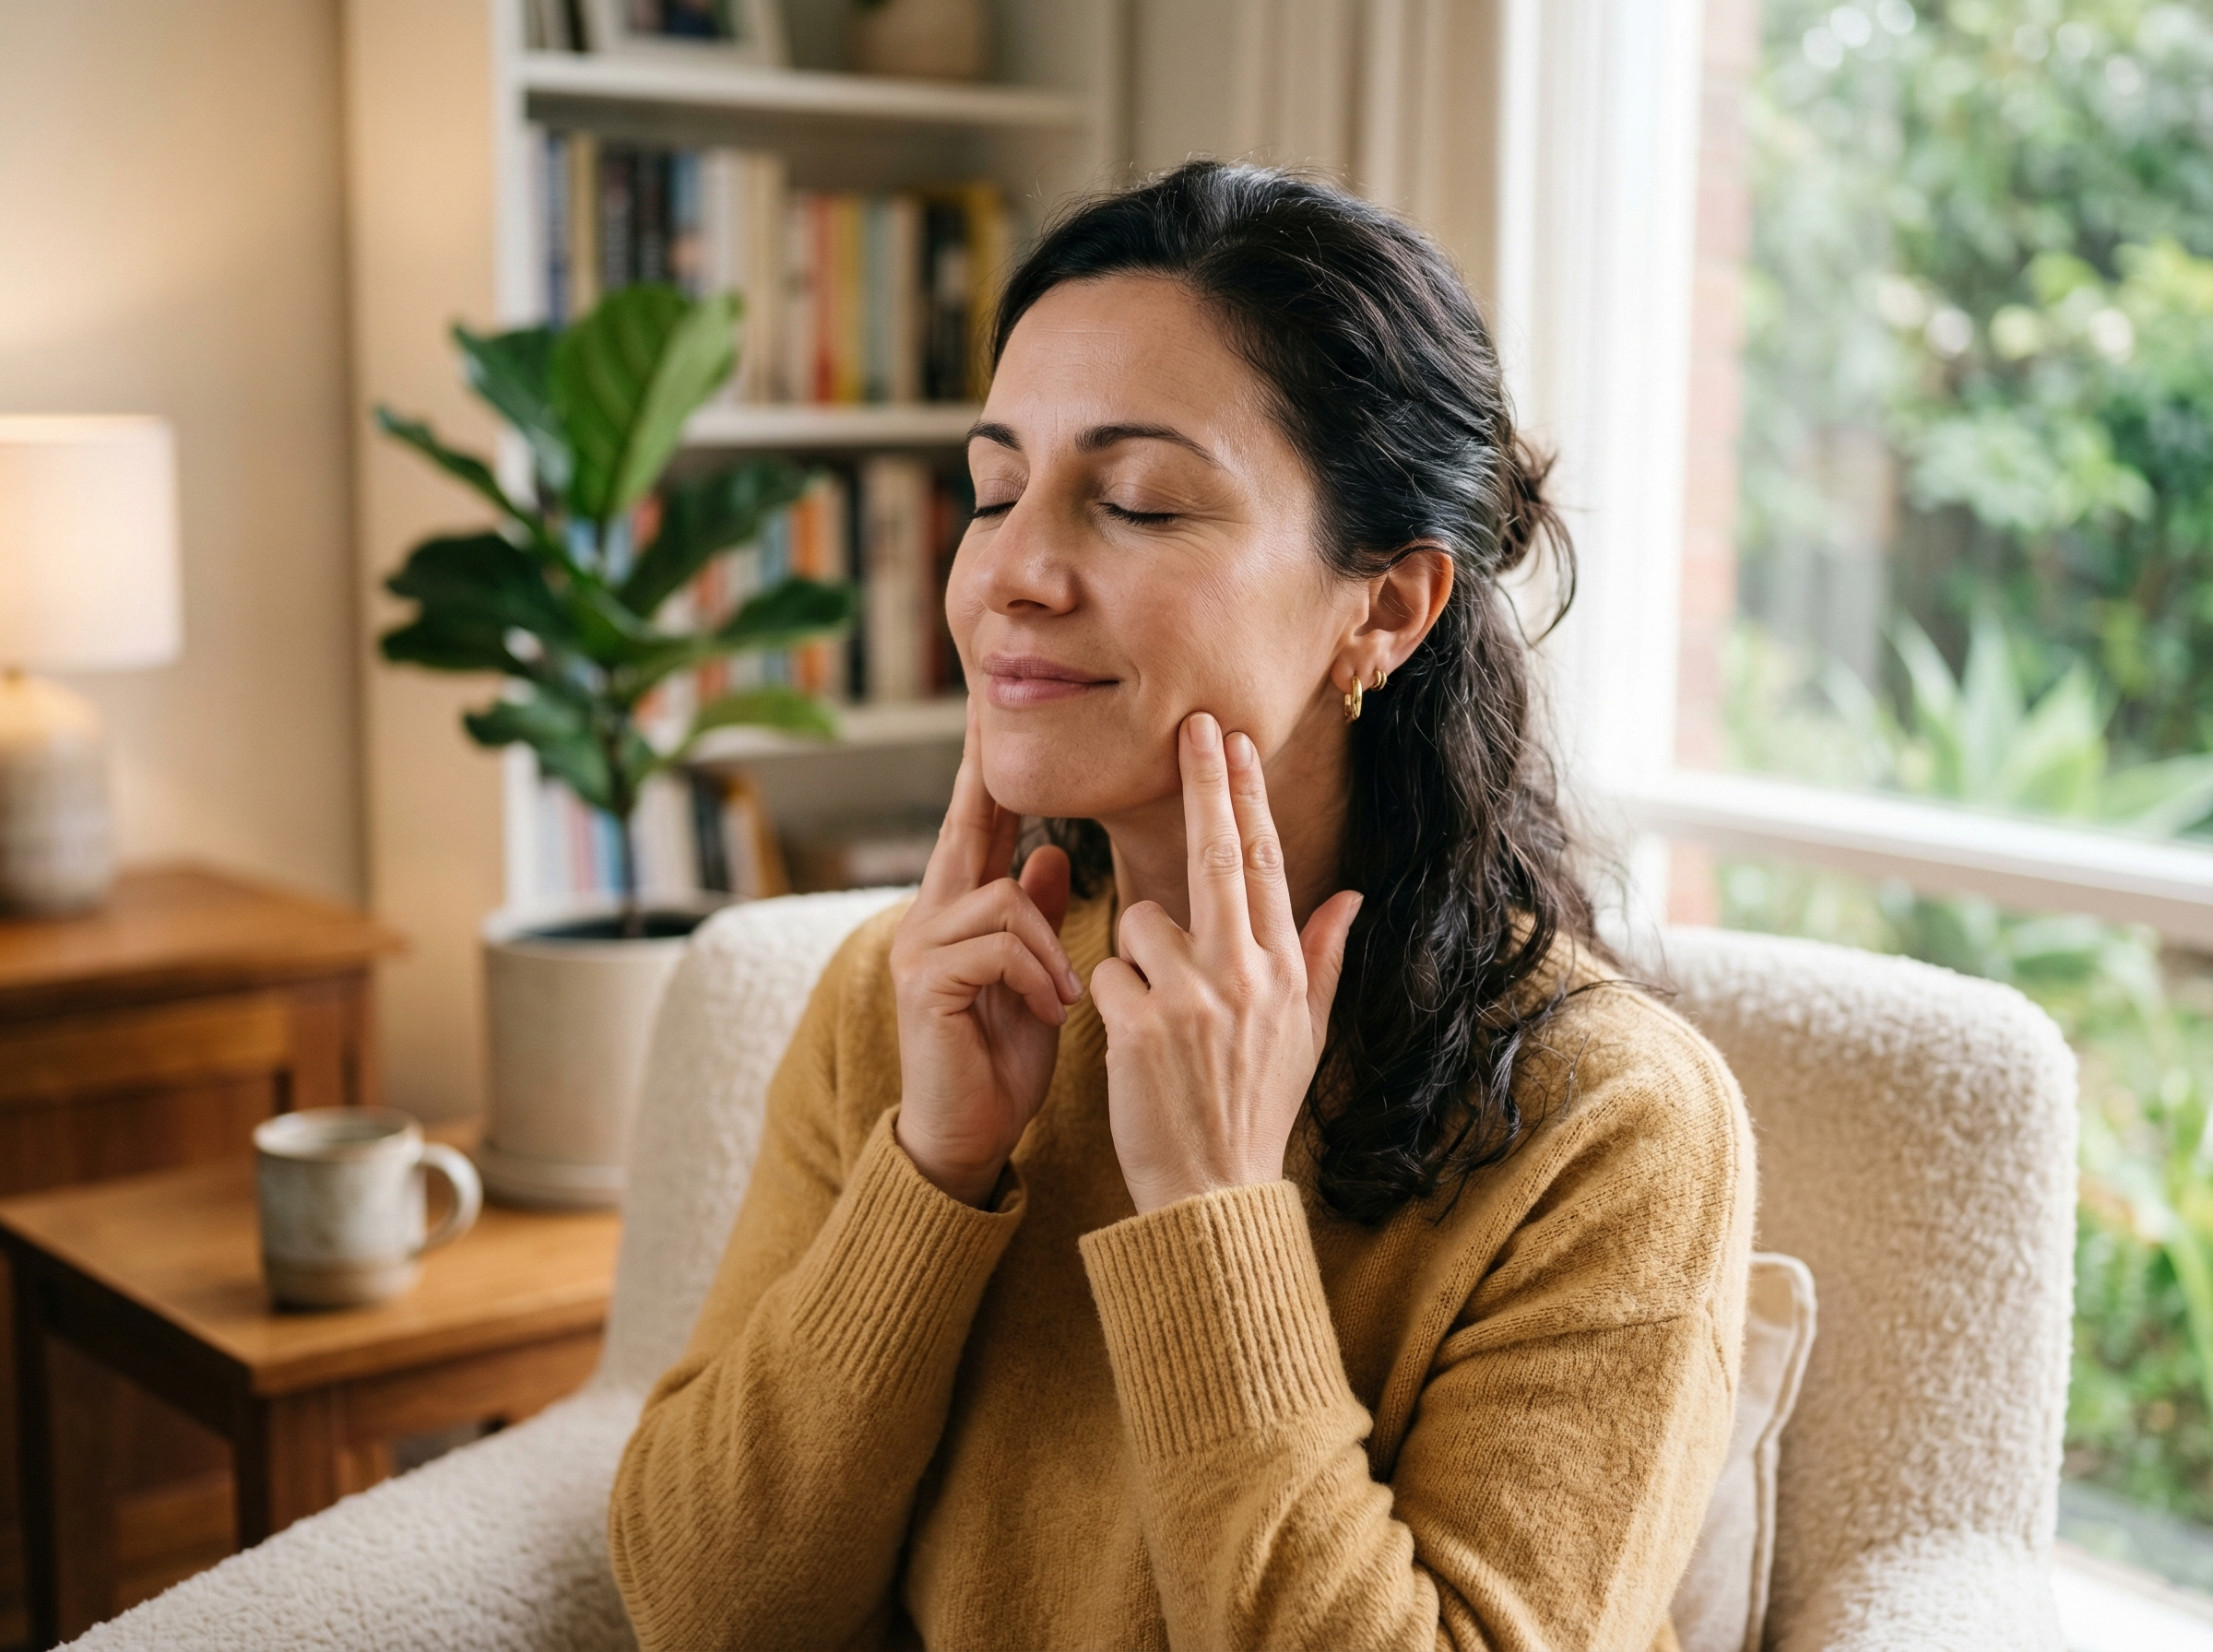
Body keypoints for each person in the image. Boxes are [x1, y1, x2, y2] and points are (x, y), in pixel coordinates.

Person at [607, 160, 1752, 1652]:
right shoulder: (914, 1002)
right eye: (994, 490)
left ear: (1389, 606)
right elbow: (702, 1614)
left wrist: (1215, 1212)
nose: (1010, 572)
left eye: (1138, 503)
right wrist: (936, 1166)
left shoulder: (1615, 1130)